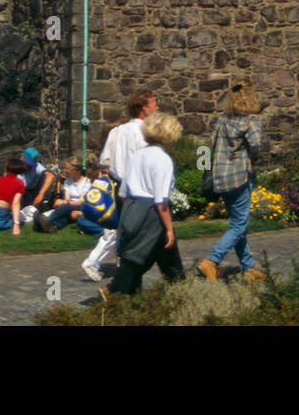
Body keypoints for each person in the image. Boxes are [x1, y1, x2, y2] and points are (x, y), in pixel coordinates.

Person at [81, 89, 158, 282]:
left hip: (118, 187)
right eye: (154, 104)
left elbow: (104, 162)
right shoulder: (146, 133)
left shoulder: (117, 131)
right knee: (140, 233)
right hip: (138, 191)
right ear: (144, 108)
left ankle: (124, 269)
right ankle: (125, 276)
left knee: (123, 231)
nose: (157, 108)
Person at [107, 112, 185, 297]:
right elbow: (161, 201)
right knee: (135, 259)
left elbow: (123, 191)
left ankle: (178, 289)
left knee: (163, 255)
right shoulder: (163, 159)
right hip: (151, 213)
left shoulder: (138, 155)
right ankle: (115, 292)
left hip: (131, 207)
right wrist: (169, 228)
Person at [198, 77, 266, 280]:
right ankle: (211, 261)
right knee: (239, 225)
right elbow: (256, 145)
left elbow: (213, 144)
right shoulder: (250, 120)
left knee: (238, 224)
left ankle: (248, 267)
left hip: (221, 177)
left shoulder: (222, 119)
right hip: (239, 177)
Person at [37, 156, 102, 234]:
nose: (65, 170)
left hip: (83, 206)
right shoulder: (68, 181)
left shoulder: (86, 182)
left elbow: (81, 202)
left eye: (67, 168)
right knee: (68, 214)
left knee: (65, 207)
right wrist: (62, 202)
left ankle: (48, 220)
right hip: (70, 206)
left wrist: (64, 203)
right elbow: (66, 198)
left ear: (76, 170)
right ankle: (54, 226)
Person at [21, 147, 58, 226]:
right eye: (28, 163)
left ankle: (43, 208)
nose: (29, 165)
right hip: (19, 191)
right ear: (23, 158)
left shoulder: (36, 166)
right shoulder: (14, 165)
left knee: (45, 178)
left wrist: (40, 195)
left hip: (30, 192)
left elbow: (51, 176)